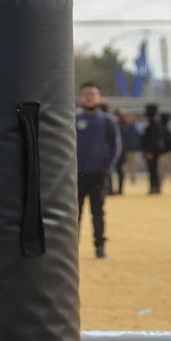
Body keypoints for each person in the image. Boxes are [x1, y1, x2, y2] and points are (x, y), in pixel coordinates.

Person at [75, 83, 121, 258]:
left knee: (98, 212)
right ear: (79, 98)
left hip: (98, 174)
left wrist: (107, 166)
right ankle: (72, 250)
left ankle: (100, 247)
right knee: (74, 214)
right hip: (76, 175)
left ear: (100, 98)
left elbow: (115, 146)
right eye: (85, 94)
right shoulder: (72, 119)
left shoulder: (107, 120)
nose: (89, 97)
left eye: (93, 94)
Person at [114, 110, 141, 194]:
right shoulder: (124, 126)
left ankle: (125, 185)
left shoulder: (126, 127)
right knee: (123, 168)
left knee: (125, 167)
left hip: (128, 150)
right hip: (125, 150)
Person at [141, 104, 165, 194]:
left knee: (153, 169)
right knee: (153, 169)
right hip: (153, 150)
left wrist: (150, 151)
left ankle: (154, 187)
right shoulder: (154, 121)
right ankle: (154, 187)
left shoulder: (152, 122)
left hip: (152, 151)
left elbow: (152, 138)